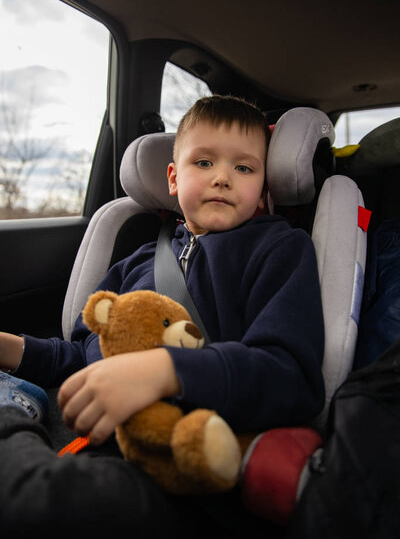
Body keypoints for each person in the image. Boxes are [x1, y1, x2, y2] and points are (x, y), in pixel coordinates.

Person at [0, 95, 325, 537]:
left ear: (265, 185)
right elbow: (82, 355)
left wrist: (166, 370)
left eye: (244, 168)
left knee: (46, 503)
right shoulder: (135, 263)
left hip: (190, 466)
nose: (224, 178)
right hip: (104, 438)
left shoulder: (280, 250)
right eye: (205, 162)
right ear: (174, 178)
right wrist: (13, 349)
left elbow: (291, 376)